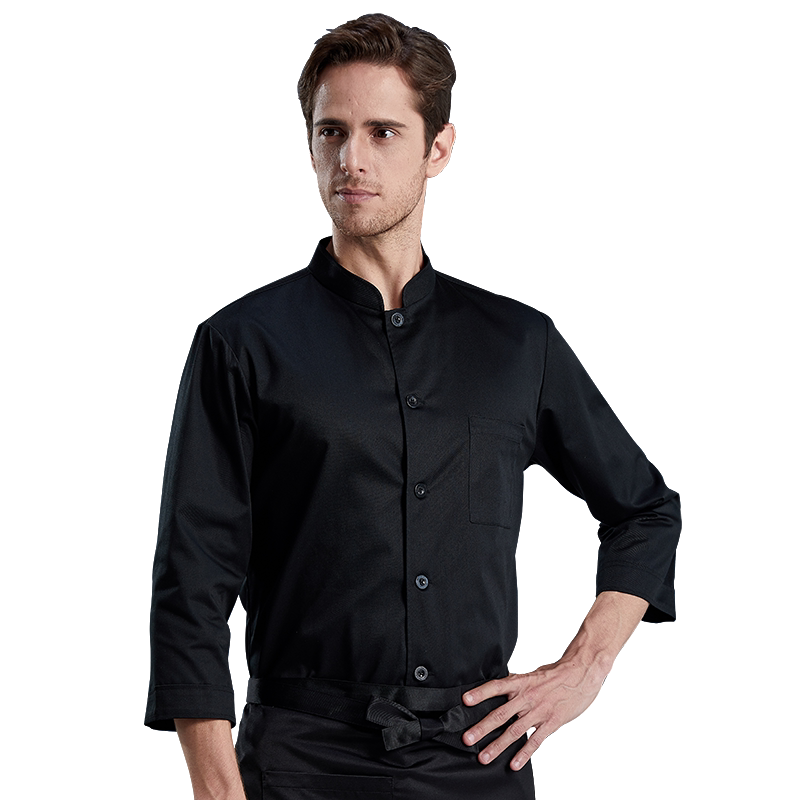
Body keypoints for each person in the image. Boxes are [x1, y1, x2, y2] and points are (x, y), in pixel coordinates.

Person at [145, 15, 680, 800]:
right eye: (331, 132)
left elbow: (645, 510)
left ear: (439, 149)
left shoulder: (516, 343)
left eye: (383, 132)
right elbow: (191, 582)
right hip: (301, 766)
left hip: (483, 763)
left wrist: (585, 665)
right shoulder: (242, 342)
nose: (351, 160)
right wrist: (221, 792)